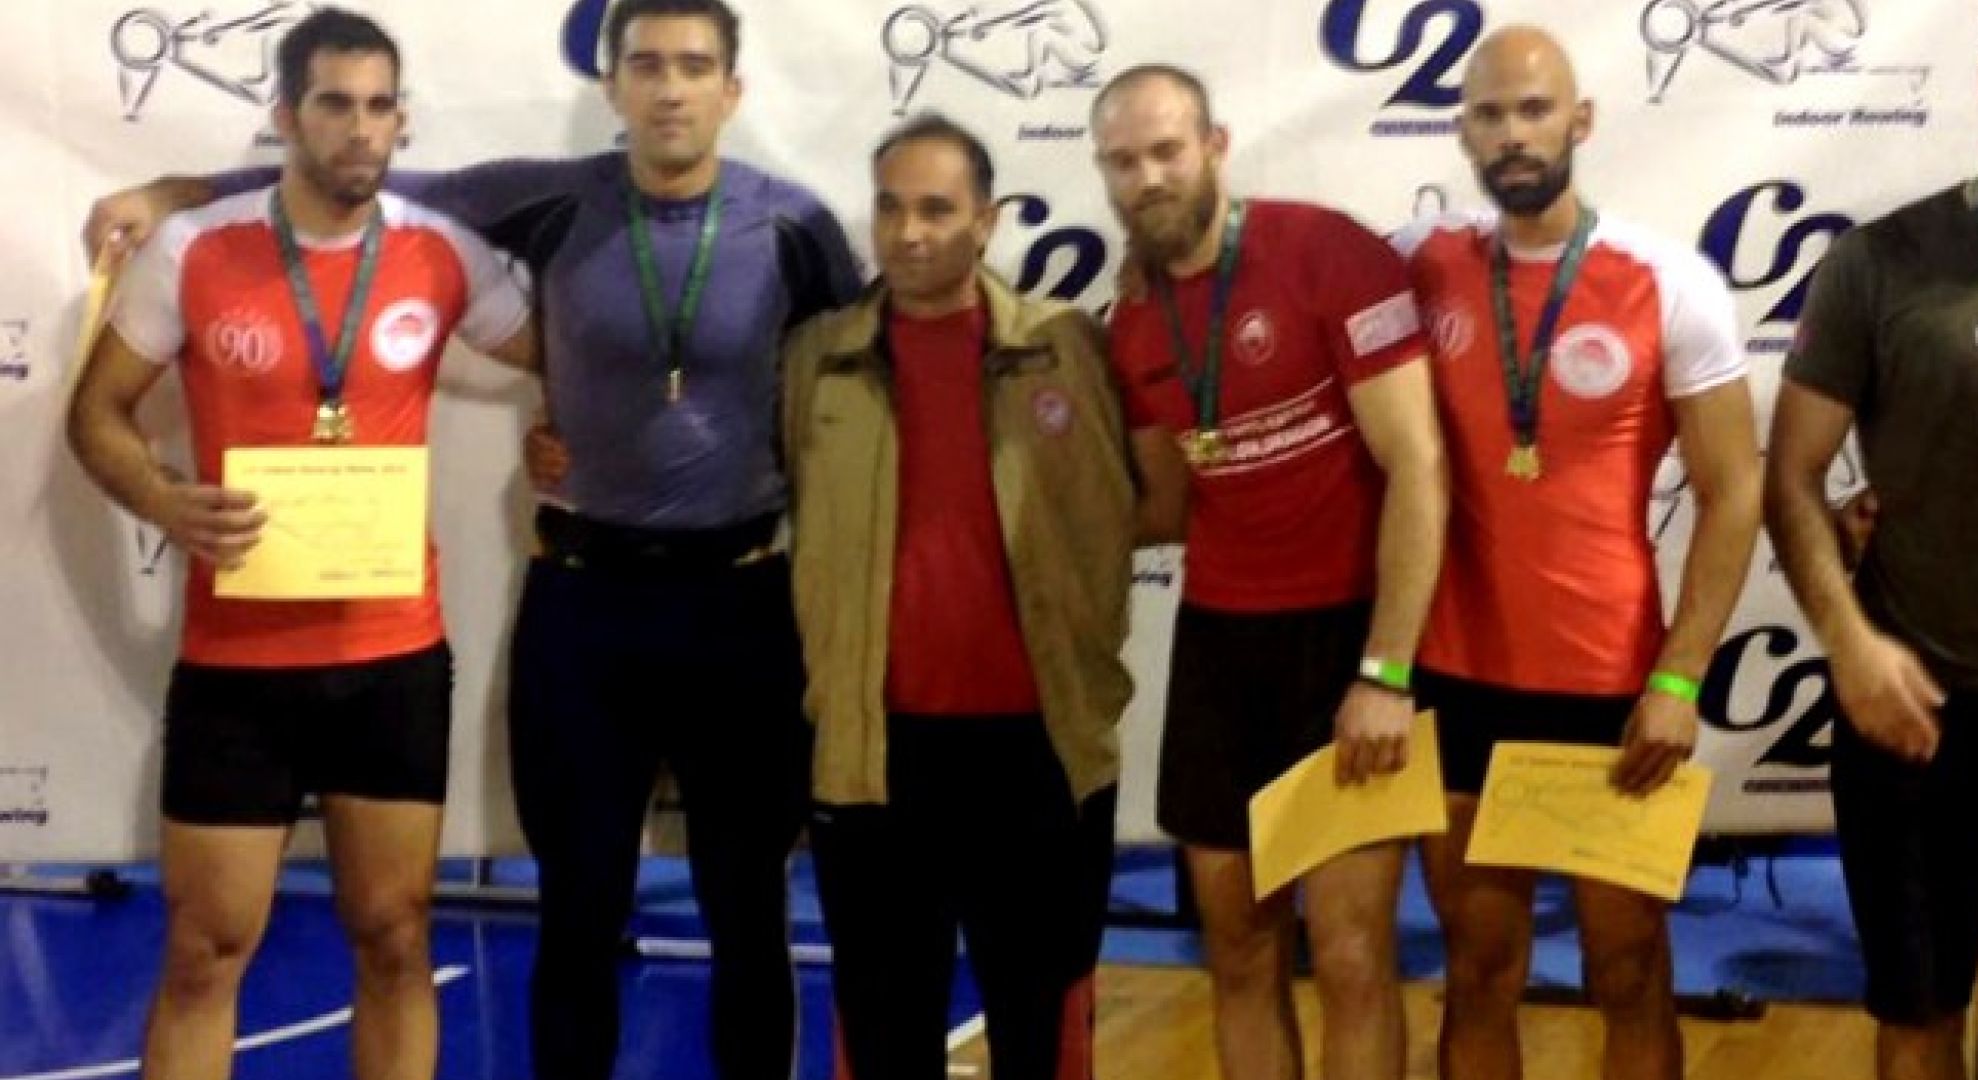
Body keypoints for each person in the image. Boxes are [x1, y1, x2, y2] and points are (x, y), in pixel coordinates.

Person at [84, 2, 861, 1077]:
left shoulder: (795, 223)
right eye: (646, 64)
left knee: (743, 910)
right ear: (612, 84)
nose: (670, 87)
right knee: (575, 908)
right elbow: (357, 179)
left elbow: (856, 376)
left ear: (730, 91)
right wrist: (176, 191)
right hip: (577, 604)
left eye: (693, 67)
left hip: (738, 604)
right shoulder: (546, 198)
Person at [66, 10, 537, 1079]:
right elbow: (96, 413)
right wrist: (163, 499)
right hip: (238, 667)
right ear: (285, 116)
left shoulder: (441, 249)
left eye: (379, 107)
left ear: (401, 120)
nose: (359, 129)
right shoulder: (194, 250)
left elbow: (577, 358)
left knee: (396, 937)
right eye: (333, 104)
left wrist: (566, 435)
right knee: (203, 953)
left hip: (391, 658)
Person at [780, 112, 1183, 1080]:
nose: (909, 233)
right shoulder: (812, 360)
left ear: (988, 220)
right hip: (874, 759)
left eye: (935, 209)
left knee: (1039, 1033)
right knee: (885, 1036)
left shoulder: (1069, 348)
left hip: (1037, 754)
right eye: (889, 209)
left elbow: (1158, 500)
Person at [1392, 27, 1761, 1080]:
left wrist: (1678, 678)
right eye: (1489, 114)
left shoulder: (1669, 281)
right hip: (1456, 677)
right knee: (1477, 969)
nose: (1512, 134)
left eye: (1534, 109)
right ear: (1462, 130)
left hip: (1611, 689)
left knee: (1630, 968)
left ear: (1580, 121)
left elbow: (1733, 491)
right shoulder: (1416, 263)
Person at [1091, 64, 1449, 1080]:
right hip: (1218, 649)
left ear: (1214, 146)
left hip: (1343, 642)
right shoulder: (1132, 324)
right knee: (1239, 952)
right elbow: (1164, 509)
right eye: (1123, 161)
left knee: (1349, 954)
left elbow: (1418, 464)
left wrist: (1385, 671)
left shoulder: (1329, 252)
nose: (1147, 177)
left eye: (1167, 150)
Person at [1767, 5, 1978, 1077]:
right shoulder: (1880, 260)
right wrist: (1849, 644)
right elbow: (1789, 476)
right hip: (1918, 709)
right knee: (1917, 1022)